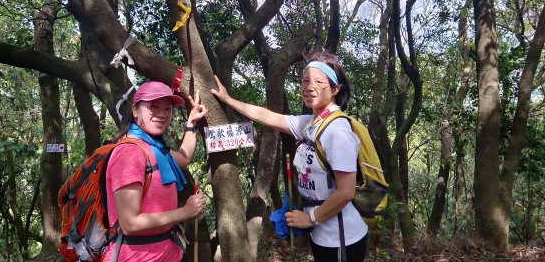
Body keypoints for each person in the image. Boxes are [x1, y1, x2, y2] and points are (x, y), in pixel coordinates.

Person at [211, 50, 367, 261]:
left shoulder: (337, 130)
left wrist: (311, 218)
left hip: (342, 237)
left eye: (318, 82)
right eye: (304, 81)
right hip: (322, 234)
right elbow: (267, 116)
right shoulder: (309, 123)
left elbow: (346, 192)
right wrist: (229, 100)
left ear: (335, 89)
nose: (309, 87)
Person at [102, 81, 207, 262]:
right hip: (135, 256)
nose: (162, 114)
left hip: (166, 252)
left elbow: (184, 157)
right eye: (153, 107)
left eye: (168, 109)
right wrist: (185, 212)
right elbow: (130, 223)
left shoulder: (155, 148)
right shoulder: (129, 153)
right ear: (135, 110)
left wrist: (191, 123)